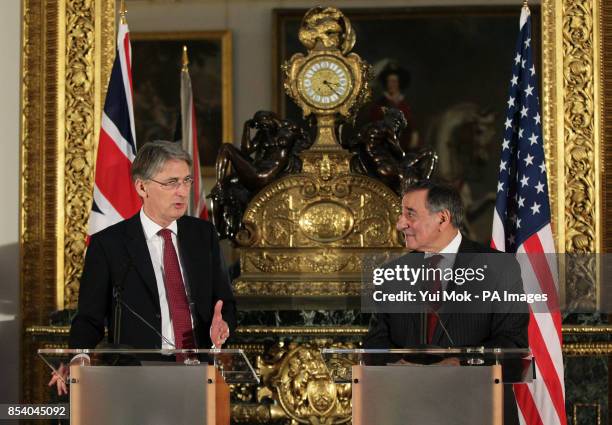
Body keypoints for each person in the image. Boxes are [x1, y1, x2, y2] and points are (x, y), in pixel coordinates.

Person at [50, 141, 236, 394]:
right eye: (171, 183)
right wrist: (78, 359)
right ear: (141, 187)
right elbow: (89, 319)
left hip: (197, 373)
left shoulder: (202, 235)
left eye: (186, 181)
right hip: (134, 377)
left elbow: (224, 303)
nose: (182, 191)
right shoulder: (110, 245)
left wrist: (223, 324)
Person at [364, 180, 528, 425]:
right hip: (407, 410)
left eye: (410, 214)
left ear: (442, 218)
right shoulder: (392, 273)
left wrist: (460, 363)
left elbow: (512, 342)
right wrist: (394, 363)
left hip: (477, 409)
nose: (400, 223)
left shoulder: (499, 268)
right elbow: (376, 341)